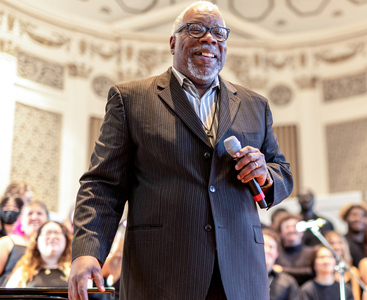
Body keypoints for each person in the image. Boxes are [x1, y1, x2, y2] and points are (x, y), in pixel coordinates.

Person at [68, 1, 294, 299]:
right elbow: (103, 184)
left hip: (240, 276)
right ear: (173, 42)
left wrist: (265, 175)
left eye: (218, 33)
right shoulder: (131, 99)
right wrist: (87, 252)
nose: (209, 38)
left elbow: (282, 172)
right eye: (196, 29)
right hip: (160, 274)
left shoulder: (255, 105)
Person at [5, 221, 71, 287]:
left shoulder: (74, 271)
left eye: (57, 233)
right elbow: (8, 295)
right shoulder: (23, 272)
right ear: (36, 243)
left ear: (66, 241)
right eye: (48, 233)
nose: (53, 236)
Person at [0, 201, 49, 284]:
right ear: (21, 220)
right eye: (29, 213)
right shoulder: (8, 242)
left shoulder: (52, 248)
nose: (34, 217)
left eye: (39, 213)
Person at [274, 213, 313, 286]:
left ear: (302, 231)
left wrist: (283, 270)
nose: (291, 230)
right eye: (287, 227)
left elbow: (311, 272)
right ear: (280, 233)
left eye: (295, 226)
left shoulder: (311, 253)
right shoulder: (276, 254)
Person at [263, 228, 300, 300]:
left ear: (277, 253)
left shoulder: (287, 282)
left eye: (271, 247)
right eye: (262, 245)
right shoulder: (243, 277)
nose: (266, 250)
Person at [324, 231, 361, 300]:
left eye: (340, 243)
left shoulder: (352, 271)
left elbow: (356, 297)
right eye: (332, 243)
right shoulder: (324, 272)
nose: (337, 246)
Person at [340, 203, 367, 268]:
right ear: (346, 217)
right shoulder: (341, 242)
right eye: (354, 215)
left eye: (362, 215)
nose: (358, 218)